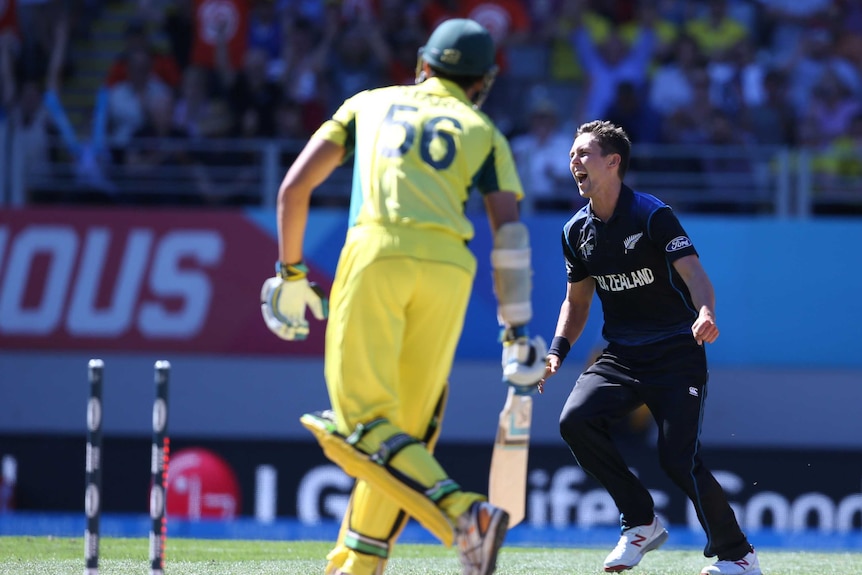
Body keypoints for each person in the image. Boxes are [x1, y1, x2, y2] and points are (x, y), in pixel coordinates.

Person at [259, 18, 547, 575]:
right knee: (401, 438)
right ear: (482, 83)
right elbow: (509, 236)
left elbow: (294, 188)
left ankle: (465, 517)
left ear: (422, 65)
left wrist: (291, 273)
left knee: (356, 426)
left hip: (378, 254)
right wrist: (515, 329)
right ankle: (357, 566)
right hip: (447, 272)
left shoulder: (368, 103)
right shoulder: (484, 130)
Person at [539, 120, 762, 575]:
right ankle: (640, 522)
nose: (574, 161)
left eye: (584, 153)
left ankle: (739, 558)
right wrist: (557, 350)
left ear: (613, 162)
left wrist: (705, 313)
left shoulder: (652, 214)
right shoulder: (574, 232)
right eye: (572, 155)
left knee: (677, 458)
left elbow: (696, 276)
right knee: (575, 421)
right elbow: (576, 302)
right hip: (621, 354)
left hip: (676, 350)